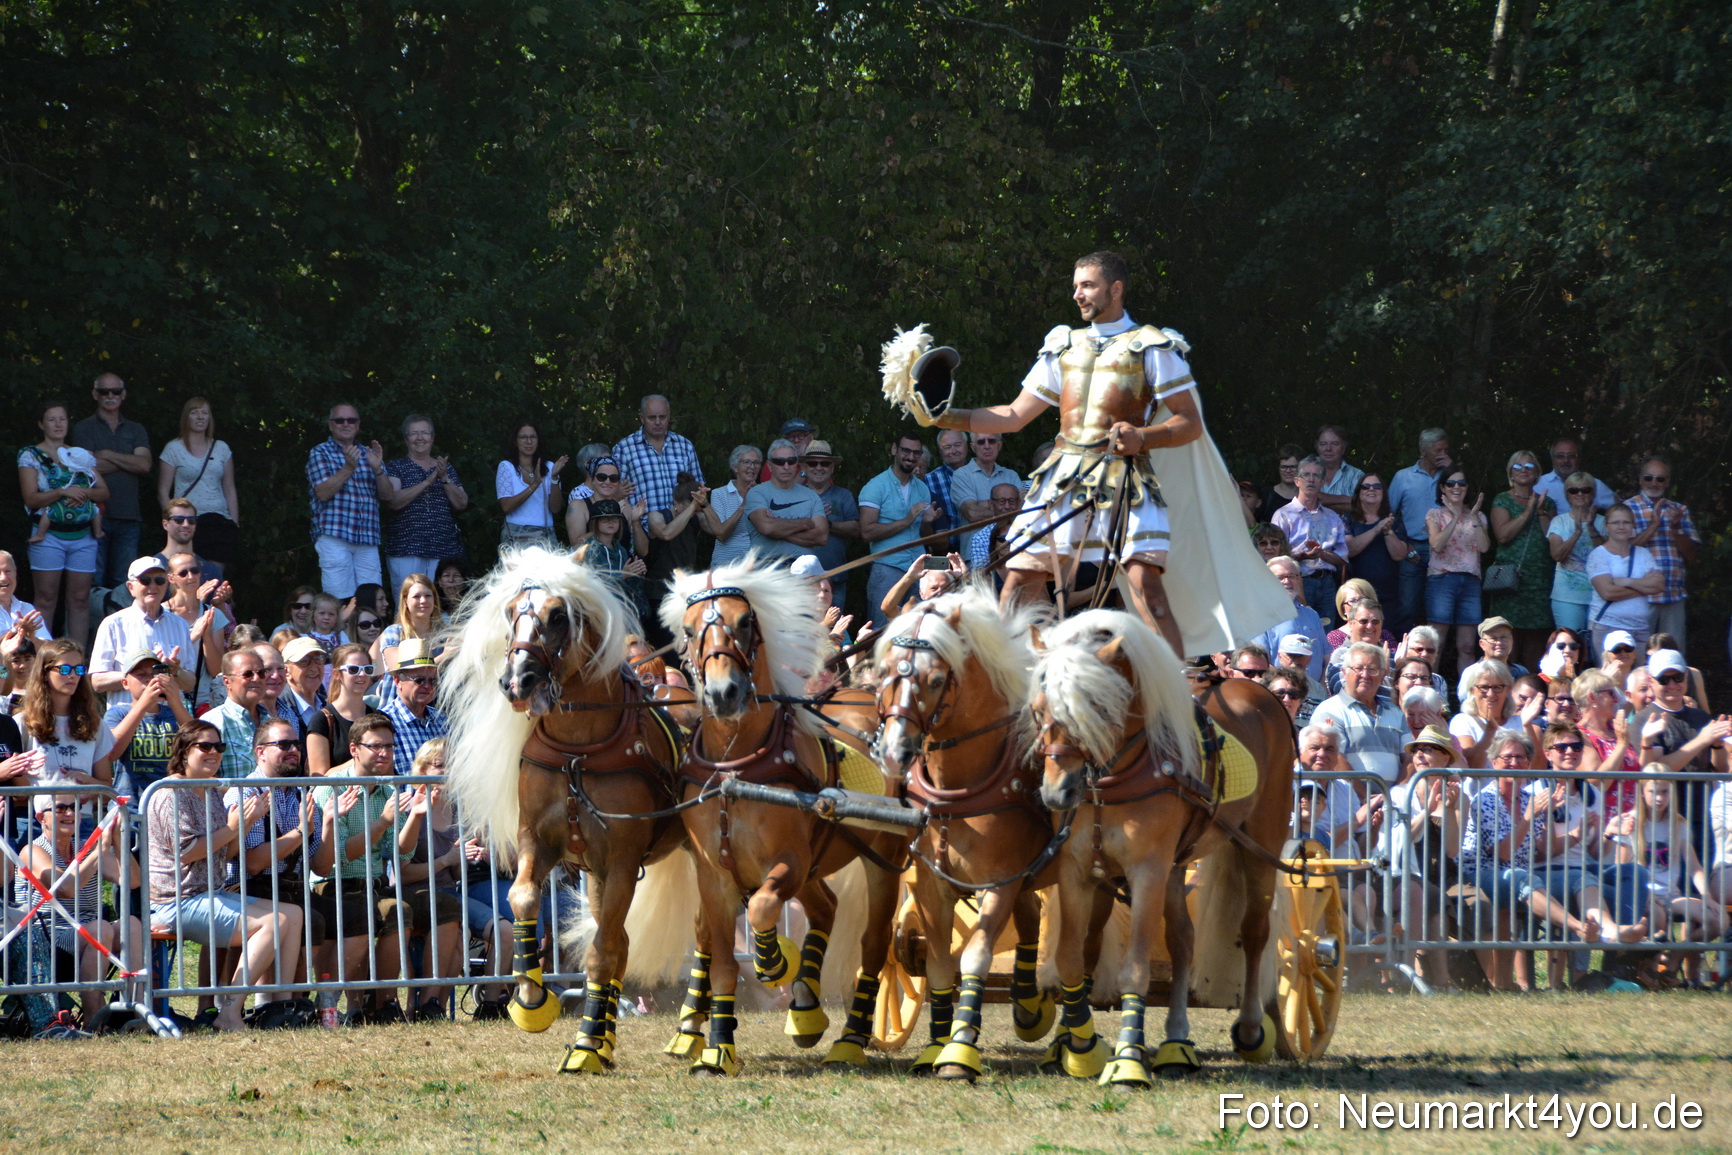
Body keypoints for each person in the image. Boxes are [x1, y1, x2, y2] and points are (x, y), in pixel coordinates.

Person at [925, 251, 1289, 656]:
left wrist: (1143, 437)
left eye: (1087, 285)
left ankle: (1175, 695)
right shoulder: (1063, 345)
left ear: (1115, 289)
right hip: (1061, 476)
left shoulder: (1153, 347)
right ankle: (1016, 683)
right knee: (1018, 581)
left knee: (1147, 591)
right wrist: (942, 418)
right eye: (1075, 286)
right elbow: (1012, 416)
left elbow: (1190, 422)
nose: (1077, 294)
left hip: (1126, 479)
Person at [147, 721, 305, 1031]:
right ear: (183, 751)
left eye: (218, 747)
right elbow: (187, 852)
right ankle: (230, 1011)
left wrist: (245, 824)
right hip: (176, 901)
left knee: (293, 914)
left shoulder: (211, 791)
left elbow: (227, 852)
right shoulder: (170, 793)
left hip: (210, 894)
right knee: (276, 922)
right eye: (204, 746)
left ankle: (279, 1005)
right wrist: (233, 827)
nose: (213, 753)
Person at [14, 792, 143, 1020]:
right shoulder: (31, 851)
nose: (71, 813)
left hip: (87, 931)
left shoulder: (84, 847)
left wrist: (118, 841)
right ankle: (95, 1017)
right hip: (48, 936)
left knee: (131, 924)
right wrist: (98, 854)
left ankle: (135, 1010)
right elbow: (65, 889)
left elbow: (132, 881)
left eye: (75, 807)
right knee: (100, 928)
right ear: (40, 817)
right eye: (61, 808)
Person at [223, 717, 325, 978]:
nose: (294, 750)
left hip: (292, 886)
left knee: (346, 917)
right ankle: (273, 1001)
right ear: (261, 752)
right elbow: (254, 863)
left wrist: (332, 823)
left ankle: (305, 1000)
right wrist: (301, 832)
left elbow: (321, 866)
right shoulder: (245, 793)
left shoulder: (302, 794)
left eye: (296, 744)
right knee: (310, 919)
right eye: (284, 744)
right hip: (248, 888)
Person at [1608, 774, 1727, 984]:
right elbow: (1622, 868)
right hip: (1643, 895)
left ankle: (1671, 963)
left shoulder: (1678, 823)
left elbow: (1694, 867)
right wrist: (1644, 895)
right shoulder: (1631, 821)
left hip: (1671, 895)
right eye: (1653, 792)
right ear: (1642, 792)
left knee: (1719, 920)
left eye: (1664, 792)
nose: (1659, 798)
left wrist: (1707, 897)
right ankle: (1651, 972)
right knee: (1658, 917)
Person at [392, 745, 477, 1020]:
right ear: (422, 768)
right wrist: (447, 859)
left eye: (452, 765)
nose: (447, 771)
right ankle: (428, 1002)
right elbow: (402, 873)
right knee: (450, 910)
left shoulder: (457, 809)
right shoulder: (409, 804)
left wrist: (465, 856)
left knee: (459, 929)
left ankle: (433, 1007)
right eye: (440, 765)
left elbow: (455, 874)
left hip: (446, 891)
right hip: (411, 890)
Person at [18, 400, 109, 645]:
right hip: (48, 535)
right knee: (46, 598)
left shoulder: (78, 455)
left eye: (62, 419)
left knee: (80, 599)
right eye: (51, 419)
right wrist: (62, 493)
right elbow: (30, 498)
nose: (58, 424)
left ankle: (76, 660)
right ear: (41, 424)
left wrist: (83, 492)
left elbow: (103, 492)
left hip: (83, 536)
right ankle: (40, 660)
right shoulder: (31, 455)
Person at [1631, 649, 1730, 861]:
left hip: (1701, 815)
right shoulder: (1644, 720)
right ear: (1652, 681)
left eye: (1677, 677)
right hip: (1665, 818)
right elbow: (1659, 770)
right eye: (1664, 679)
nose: (1672, 685)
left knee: (1700, 880)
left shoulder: (1700, 716)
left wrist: (1716, 744)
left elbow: (1719, 769)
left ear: (1686, 677)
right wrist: (1702, 740)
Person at [71, 372, 153, 589]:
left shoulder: (136, 429)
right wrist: (129, 463)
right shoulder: (83, 428)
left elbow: (145, 465)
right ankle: (93, 625)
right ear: (94, 394)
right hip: (93, 515)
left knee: (127, 585)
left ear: (123, 394)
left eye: (115, 391)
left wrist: (106, 453)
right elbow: (86, 468)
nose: (110, 395)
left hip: (129, 517)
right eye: (103, 391)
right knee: (93, 583)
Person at [613, 393, 706, 583]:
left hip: (682, 532)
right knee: (650, 601)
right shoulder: (625, 448)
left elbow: (699, 489)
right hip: (646, 537)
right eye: (651, 417)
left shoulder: (684, 446)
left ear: (669, 416)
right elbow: (616, 494)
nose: (657, 422)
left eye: (662, 417)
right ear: (641, 418)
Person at [88, 557, 200, 708]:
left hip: (170, 719)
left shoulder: (179, 624)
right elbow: (97, 682)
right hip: (127, 719)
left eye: (159, 580)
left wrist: (175, 671)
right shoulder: (113, 624)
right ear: (130, 587)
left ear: (167, 584)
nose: (153, 586)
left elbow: (190, 683)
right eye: (145, 580)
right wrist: (137, 675)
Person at [306, 402, 386, 599]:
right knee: (339, 600)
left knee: (372, 601)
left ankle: (370, 630)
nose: (345, 424)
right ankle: (340, 632)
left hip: (367, 537)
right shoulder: (320, 452)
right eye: (339, 420)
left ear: (358, 425)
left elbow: (387, 496)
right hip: (335, 536)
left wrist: (378, 469)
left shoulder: (370, 454)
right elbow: (322, 493)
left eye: (351, 420)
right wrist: (349, 468)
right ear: (331, 425)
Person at [1485, 450, 1555, 670]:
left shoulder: (1548, 503)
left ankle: (1530, 690)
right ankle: (1504, 687)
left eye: (1529, 466)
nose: (1523, 470)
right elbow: (1503, 535)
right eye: (1517, 467)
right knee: (1506, 637)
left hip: (1539, 579)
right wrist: (1528, 511)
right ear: (1511, 474)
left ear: (1537, 473)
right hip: (1509, 581)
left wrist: (1542, 512)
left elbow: (1550, 539)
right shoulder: (1502, 499)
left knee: (1536, 641)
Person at [380, 414, 468, 590]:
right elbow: (393, 501)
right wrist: (427, 482)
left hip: (444, 549)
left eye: (424, 433)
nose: (420, 438)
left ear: (432, 437)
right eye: (414, 433)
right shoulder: (396, 467)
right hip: (407, 549)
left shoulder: (446, 468)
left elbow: (462, 503)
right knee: (408, 605)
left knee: (442, 606)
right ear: (406, 439)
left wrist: (444, 478)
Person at [857, 433, 933, 631]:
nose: (910, 456)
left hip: (917, 569)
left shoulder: (923, 489)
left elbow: (923, 533)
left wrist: (928, 521)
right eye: (905, 451)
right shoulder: (875, 486)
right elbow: (867, 532)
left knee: (918, 631)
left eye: (916, 453)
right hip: (887, 568)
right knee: (881, 632)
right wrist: (907, 520)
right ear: (894, 450)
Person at [1625, 456, 1700, 651]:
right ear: (1640, 480)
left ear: (1667, 482)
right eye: (1649, 478)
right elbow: (1624, 551)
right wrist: (1654, 526)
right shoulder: (1626, 509)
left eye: (1660, 479)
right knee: (1638, 655)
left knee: (1673, 656)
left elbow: (1691, 556)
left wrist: (1676, 529)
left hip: (1673, 595)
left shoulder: (1679, 510)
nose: (1654, 483)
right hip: (1639, 596)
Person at [156, 396, 240, 568]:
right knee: (187, 572)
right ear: (186, 417)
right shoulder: (173, 448)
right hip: (188, 520)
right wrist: (173, 521)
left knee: (214, 578)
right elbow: (163, 491)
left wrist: (234, 523)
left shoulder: (221, 448)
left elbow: (229, 488)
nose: (200, 417)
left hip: (219, 520)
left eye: (205, 413)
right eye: (195, 413)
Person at [19, 638, 114, 788]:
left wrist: (87, 782)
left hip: (81, 811)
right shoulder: (23, 721)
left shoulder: (95, 723)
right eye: (64, 669)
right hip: (40, 811)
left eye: (79, 670)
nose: (72, 675)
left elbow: (107, 788)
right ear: (44, 673)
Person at [1425, 465, 1491, 677]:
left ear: (1467, 487)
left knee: (1468, 646)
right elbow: (1437, 544)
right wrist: (1454, 517)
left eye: (1461, 483)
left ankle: (1467, 696)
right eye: (1451, 483)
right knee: (1437, 643)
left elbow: (1484, 547)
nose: (1456, 487)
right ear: (1442, 488)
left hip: (1470, 581)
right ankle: (1432, 694)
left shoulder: (1478, 516)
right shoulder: (1434, 514)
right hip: (1441, 580)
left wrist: (1471, 518)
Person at [1386, 427, 1453, 636]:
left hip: (1446, 550)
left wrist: (1453, 470)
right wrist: (1406, 546)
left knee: (1441, 611)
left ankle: (1436, 659)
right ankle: (1401, 655)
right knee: (1407, 607)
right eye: (1437, 450)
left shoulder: (1451, 476)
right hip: (1413, 548)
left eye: (1445, 449)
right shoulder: (1403, 477)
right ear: (1423, 452)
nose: (1442, 454)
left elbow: (1467, 504)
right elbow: (1389, 514)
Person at [103, 649, 194, 801]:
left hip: (171, 805)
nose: (149, 680)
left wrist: (174, 699)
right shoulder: (117, 713)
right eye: (140, 675)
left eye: (155, 674)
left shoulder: (174, 712)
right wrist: (143, 705)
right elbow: (111, 753)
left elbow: (200, 742)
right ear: (125, 683)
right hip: (131, 806)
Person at [1311, 642, 1405, 785]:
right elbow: (1335, 759)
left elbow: (1409, 759)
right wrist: (1363, 799)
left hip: (1392, 805)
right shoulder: (1329, 710)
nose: (1365, 675)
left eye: (1372, 669)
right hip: (1349, 804)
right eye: (1358, 669)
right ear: (1344, 672)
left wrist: (1397, 796)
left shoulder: (1396, 713)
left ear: (1382, 675)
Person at [1272, 457, 1348, 622]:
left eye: (1316, 476)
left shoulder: (1333, 517)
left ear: (1322, 482)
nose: (1311, 479)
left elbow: (1342, 558)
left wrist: (1321, 554)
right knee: (1298, 633)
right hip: (1296, 582)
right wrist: (1303, 555)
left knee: (1326, 633)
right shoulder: (1283, 515)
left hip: (1327, 584)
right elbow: (1275, 559)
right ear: (1297, 481)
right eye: (1306, 475)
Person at [1585, 503, 1662, 661]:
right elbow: (1607, 592)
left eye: (1626, 522)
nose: (1621, 527)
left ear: (1633, 525)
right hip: (1607, 627)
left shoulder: (1643, 554)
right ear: (1606, 526)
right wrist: (1643, 586)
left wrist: (1626, 581)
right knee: (1609, 680)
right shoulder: (1598, 555)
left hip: (1640, 628)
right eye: (1616, 522)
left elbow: (1659, 585)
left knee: (1639, 680)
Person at [744, 438, 829, 562]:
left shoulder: (812, 495)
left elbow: (821, 537)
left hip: (804, 568)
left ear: (797, 464)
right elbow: (767, 527)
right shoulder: (757, 492)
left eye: (791, 461)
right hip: (766, 568)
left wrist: (776, 526)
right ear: (769, 465)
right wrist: (805, 523)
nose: (786, 466)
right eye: (779, 462)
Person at [1544, 471, 1605, 634]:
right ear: (1567, 494)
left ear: (1593, 493)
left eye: (1585, 490)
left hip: (1600, 595)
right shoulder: (1559, 521)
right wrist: (1576, 534)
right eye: (1573, 490)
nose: (1579, 494)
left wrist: (1591, 527)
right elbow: (1556, 555)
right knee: (1570, 645)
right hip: (1567, 597)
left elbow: (1607, 557)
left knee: (1598, 650)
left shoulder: (1603, 522)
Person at [1252, 556, 1329, 683]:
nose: (1287, 581)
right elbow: (1259, 661)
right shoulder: (1259, 617)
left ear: (1299, 579)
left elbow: (1326, 656)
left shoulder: (1312, 615)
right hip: (1282, 693)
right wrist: (1289, 686)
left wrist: (1321, 687)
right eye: (1280, 578)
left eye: (1291, 576)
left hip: (1315, 694)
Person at [949, 432, 1023, 562]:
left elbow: (1023, 510)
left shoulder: (1011, 475)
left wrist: (983, 504)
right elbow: (972, 513)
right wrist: (1009, 510)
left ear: (999, 445)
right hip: (975, 556)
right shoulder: (961, 475)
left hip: (1012, 552)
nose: (987, 446)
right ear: (972, 447)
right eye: (981, 442)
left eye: (992, 441)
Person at [799, 442, 857, 606]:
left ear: (832, 468)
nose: (819, 467)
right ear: (803, 466)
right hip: (799, 580)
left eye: (824, 463)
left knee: (834, 629)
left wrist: (827, 524)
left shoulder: (844, 495)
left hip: (835, 577)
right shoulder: (793, 495)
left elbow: (856, 529)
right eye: (812, 463)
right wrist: (812, 520)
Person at [1573, 668, 1637, 815]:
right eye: (1611, 693)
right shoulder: (1578, 735)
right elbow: (1596, 784)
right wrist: (1621, 745)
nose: (1617, 699)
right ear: (1592, 698)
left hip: (1632, 823)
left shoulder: (1616, 729)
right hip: (1604, 825)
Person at [495, 418, 566, 548]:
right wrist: (534, 485)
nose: (529, 441)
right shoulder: (507, 467)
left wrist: (554, 478)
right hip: (517, 533)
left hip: (545, 533)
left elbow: (555, 509)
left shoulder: (550, 467)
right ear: (515, 441)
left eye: (533, 437)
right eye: (523, 437)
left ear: (538, 440)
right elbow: (506, 507)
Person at [204, 648, 276, 776]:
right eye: (248, 674)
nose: (256, 679)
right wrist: (240, 794)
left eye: (261, 673)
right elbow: (202, 779)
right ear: (227, 681)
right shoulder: (212, 722)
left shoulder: (272, 722)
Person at [308, 644, 375, 776]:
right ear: (337, 674)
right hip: (336, 796)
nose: (362, 674)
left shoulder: (379, 717)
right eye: (354, 669)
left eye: (367, 669)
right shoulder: (321, 720)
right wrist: (360, 760)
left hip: (376, 796)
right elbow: (318, 776)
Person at [1344, 472, 1406, 613]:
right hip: (1357, 593)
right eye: (1366, 486)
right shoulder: (1348, 519)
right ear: (1358, 493)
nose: (1371, 489)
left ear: (1383, 493)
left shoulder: (1393, 521)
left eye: (1377, 486)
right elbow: (1349, 550)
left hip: (1389, 593)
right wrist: (1376, 528)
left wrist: (1387, 531)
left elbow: (1400, 555)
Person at [581, 499, 652, 620]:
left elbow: (627, 587)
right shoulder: (590, 550)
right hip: (597, 614)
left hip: (621, 611)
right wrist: (622, 575)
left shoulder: (621, 550)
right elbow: (593, 586)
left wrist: (636, 573)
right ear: (595, 522)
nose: (611, 522)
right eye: (605, 519)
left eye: (615, 518)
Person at [1449, 659, 1523, 769]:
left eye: (1497, 687)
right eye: (1484, 687)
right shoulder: (1462, 721)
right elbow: (1470, 767)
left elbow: (1536, 767)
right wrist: (1490, 731)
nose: (1490, 694)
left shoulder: (1520, 722)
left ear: (1508, 691)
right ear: (1472, 690)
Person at [646, 473, 710, 593]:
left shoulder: (697, 517)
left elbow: (720, 531)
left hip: (686, 587)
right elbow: (666, 534)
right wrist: (692, 507)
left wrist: (705, 504)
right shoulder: (656, 516)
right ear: (676, 502)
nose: (692, 513)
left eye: (696, 509)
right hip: (658, 589)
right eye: (688, 508)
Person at [701, 446, 762, 569]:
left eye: (756, 462)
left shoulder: (765, 493)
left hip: (757, 566)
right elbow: (721, 534)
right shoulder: (719, 494)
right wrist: (743, 506)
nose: (752, 466)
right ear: (735, 467)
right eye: (746, 462)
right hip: (726, 566)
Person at [1533, 437, 1616, 512]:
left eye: (1571, 456)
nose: (1566, 460)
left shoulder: (1595, 485)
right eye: (1560, 456)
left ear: (1579, 458)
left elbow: (1622, 509)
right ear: (1552, 458)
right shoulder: (1539, 484)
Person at [926, 428, 970, 547]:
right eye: (947, 447)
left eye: (957, 445)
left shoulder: (979, 475)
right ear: (940, 451)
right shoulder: (929, 480)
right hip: (944, 552)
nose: (953, 451)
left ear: (966, 446)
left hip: (978, 550)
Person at [0, 550, 52, 643]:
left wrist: (31, 637)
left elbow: (48, 649)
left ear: (15, 573)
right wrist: (17, 630)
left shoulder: (27, 608)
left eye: (8, 571)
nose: (3, 577)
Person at [281, 637, 328, 737]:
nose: (314, 668)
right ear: (286, 671)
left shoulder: (327, 706)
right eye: (304, 661)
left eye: (318, 660)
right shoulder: (279, 708)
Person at [1313, 425, 1365, 515]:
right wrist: (1351, 500)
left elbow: (1364, 506)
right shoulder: (1307, 472)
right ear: (1317, 447)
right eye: (1323, 444)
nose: (1328, 448)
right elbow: (1310, 498)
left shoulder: (1356, 476)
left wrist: (1321, 502)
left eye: (1334, 444)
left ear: (1343, 448)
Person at [1254, 444, 1304, 524]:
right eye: (1284, 467)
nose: (1288, 471)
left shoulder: (1307, 497)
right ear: (1278, 468)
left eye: (1292, 467)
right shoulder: (1266, 495)